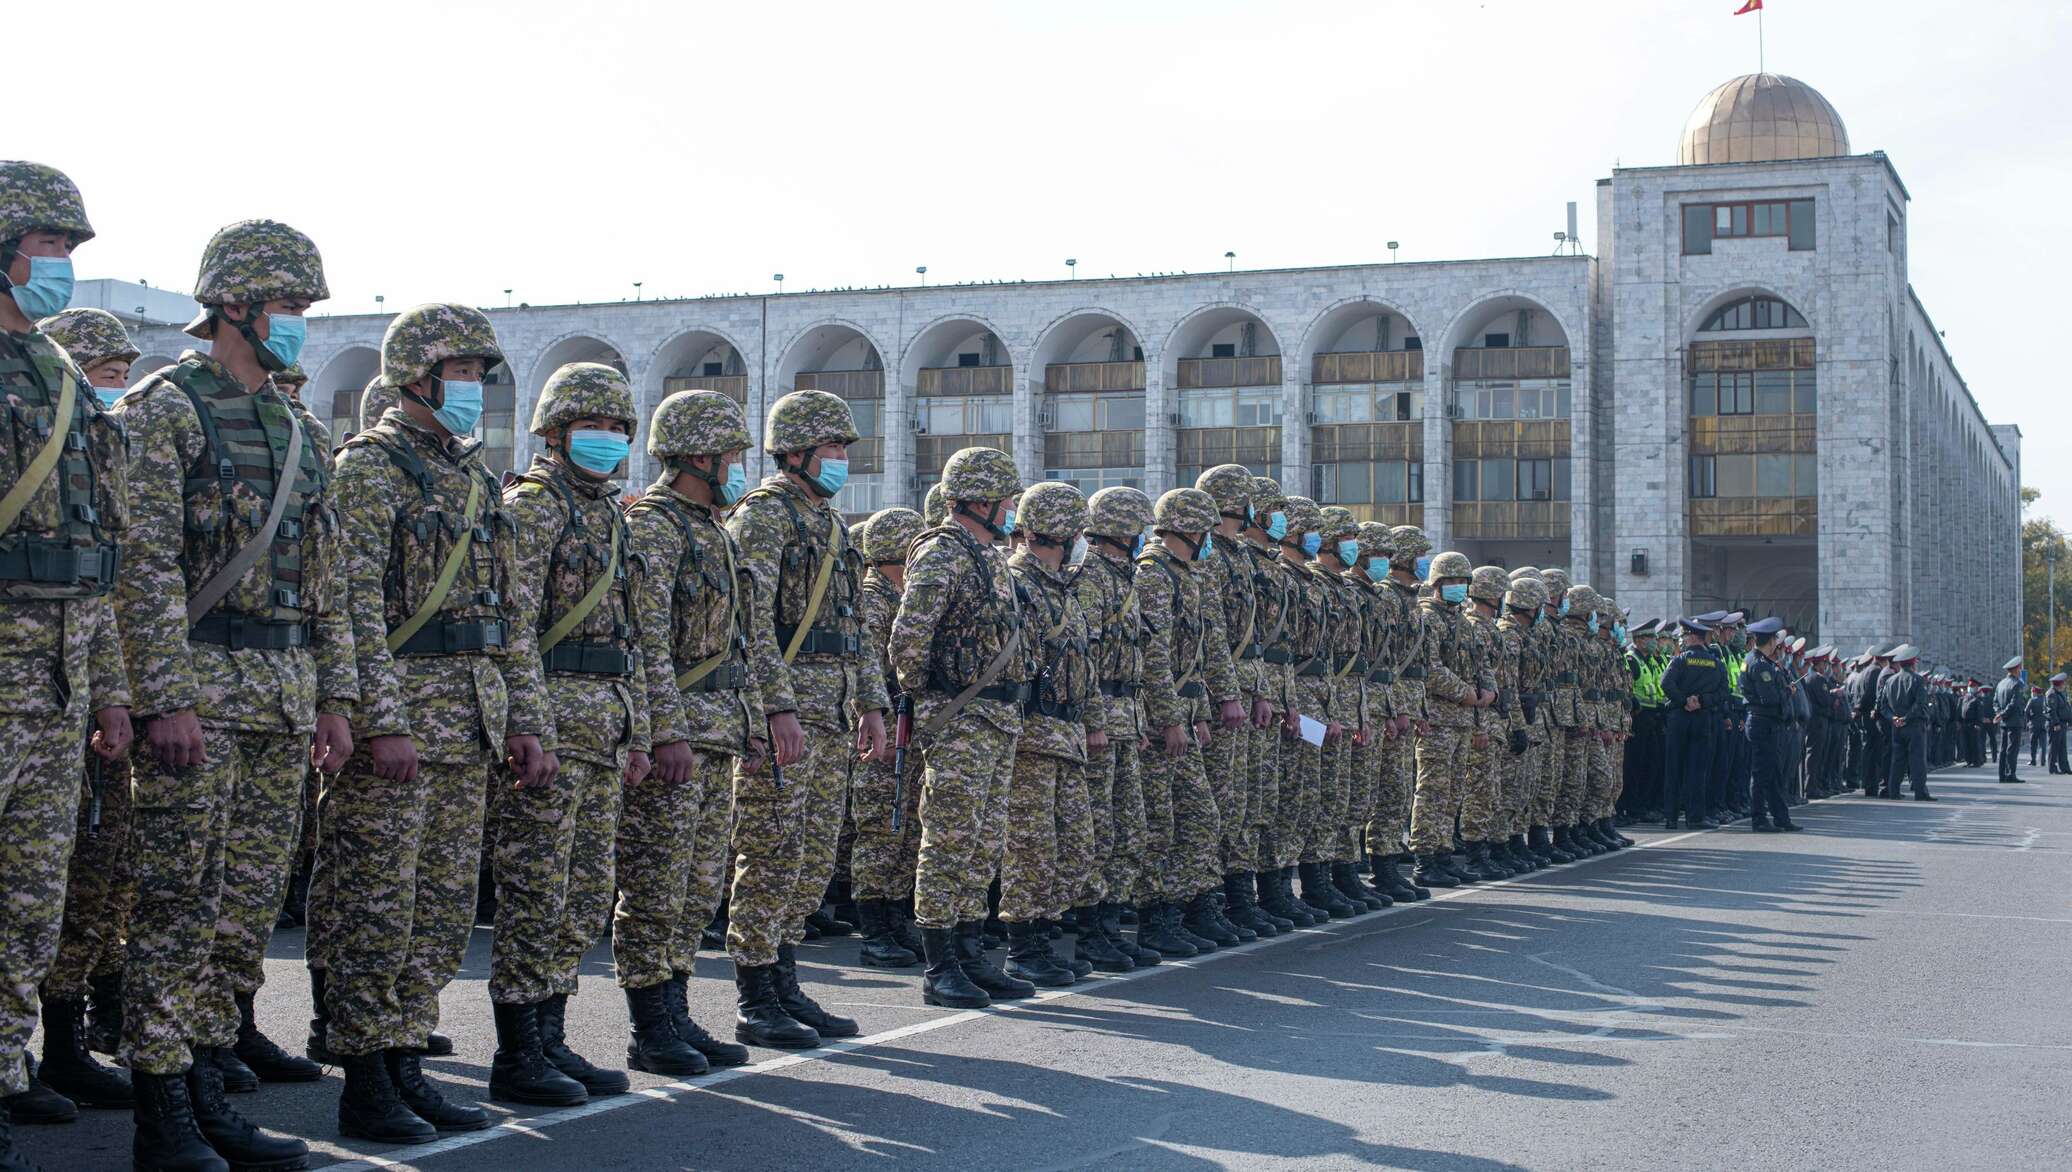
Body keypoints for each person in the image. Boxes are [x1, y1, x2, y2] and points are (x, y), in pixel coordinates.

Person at [120, 218, 356, 1170]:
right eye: (286, 307)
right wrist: (161, 698)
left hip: (282, 695)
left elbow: (327, 581)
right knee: (178, 903)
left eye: (304, 308)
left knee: (245, 907)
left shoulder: (300, 429)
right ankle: (161, 1108)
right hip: (200, 692)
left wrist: (334, 700)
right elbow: (139, 566)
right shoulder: (164, 408)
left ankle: (209, 1084)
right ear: (231, 305)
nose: (297, 324)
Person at [324, 302, 554, 1141]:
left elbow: (508, 615)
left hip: (471, 725)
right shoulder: (368, 470)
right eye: (459, 373)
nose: (472, 389)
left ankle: (406, 1060)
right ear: (416, 376)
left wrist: (526, 719)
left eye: (477, 374)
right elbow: (347, 603)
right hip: (403, 728)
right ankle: (365, 1078)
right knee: (377, 907)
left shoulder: (471, 477)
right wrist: (381, 718)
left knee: (443, 909)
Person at [0, 162, 135, 1163]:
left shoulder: (57, 380)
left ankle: (4, 1067)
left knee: (29, 894)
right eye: (47, 247)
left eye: (66, 251)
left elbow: (106, 555)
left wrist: (111, 689)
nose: (60, 269)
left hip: (55, 681)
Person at [495, 363, 654, 1100]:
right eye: (596, 426)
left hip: (605, 729)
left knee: (584, 893)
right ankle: (518, 1050)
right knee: (536, 890)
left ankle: (551, 1034)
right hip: (553, 728)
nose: (612, 439)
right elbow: (515, 628)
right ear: (555, 433)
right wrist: (530, 722)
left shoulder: (609, 513)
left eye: (621, 427)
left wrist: (641, 734)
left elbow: (634, 639)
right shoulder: (534, 509)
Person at [728, 390, 888, 1039]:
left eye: (846, 448)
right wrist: (776, 708)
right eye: (833, 447)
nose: (842, 459)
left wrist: (872, 701)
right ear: (794, 452)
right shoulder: (764, 517)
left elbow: (853, 627)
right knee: (771, 850)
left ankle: (784, 977)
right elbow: (751, 622)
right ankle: (755, 991)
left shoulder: (830, 522)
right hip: (789, 717)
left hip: (832, 713)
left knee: (813, 855)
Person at [618, 387, 763, 1077]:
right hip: (680, 734)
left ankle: (675, 1010)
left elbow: (738, 641)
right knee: (656, 882)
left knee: (698, 884)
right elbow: (645, 639)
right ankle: (651, 1026)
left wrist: (753, 721)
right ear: (699, 456)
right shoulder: (654, 526)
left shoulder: (712, 529)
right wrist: (664, 731)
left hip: (718, 729)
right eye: (732, 454)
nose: (738, 467)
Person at [32, 307, 142, 1115]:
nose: (117, 391)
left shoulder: (110, 452)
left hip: (96, 687)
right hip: (36, 685)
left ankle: (60, 1044)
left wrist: (113, 696)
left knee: (86, 881)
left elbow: (103, 587)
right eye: (105, 375)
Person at [892, 446, 1025, 1008]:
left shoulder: (988, 556)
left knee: (983, 839)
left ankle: (970, 952)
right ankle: (940, 964)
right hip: (961, 716)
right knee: (948, 840)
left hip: (996, 716)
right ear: (980, 500)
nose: (1013, 509)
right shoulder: (943, 552)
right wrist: (936, 701)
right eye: (1007, 500)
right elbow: (908, 640)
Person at [1001, 481, 1099, 986]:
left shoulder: (1062, 587)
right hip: (1032, 735)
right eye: (1078, 531)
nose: (1083, 541)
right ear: (1060, 532)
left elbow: (1085, 664)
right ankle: (1024, 945)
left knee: (1075, 845)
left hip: (1066, 734)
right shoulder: (1017, 584)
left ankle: (1044, 932)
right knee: (1032, 846)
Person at [1074, 487, 1161, 966]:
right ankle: (1090, 932)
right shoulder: (1092, 578)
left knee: (1129, 828)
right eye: (1138, 528)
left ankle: (1108, 925)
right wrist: (1091, 719)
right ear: (1122, 530)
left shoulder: (1123, 577)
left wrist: (1140, 718)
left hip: (1126, 717)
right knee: (1099, 830)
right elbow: (1079, 655)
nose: (1144, 536)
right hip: (1101, 719)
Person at [848, 507, 926, 969]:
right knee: (880, 826)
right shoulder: (872, 600)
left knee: (905, 828)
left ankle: (896, 917)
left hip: (907, 728)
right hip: (881, 729)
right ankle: (875, 926)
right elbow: (870, 669)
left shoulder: (900, 597)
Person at [1409, 553, 1494, 886]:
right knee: (1432, 790)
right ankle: (1424, 857)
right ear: (1437, 584)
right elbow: (1430, 669)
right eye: (1451, 581)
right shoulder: (1428, 619)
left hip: (1461, 718)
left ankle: (1443, 853)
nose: (1459, 587)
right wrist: (1467, 693)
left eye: (1463, 582)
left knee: (1453, 790)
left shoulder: (1464, 622)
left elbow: (1481, 664)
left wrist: (1489, 689)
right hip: (1437, 717)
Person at [1660, 618, 1726, 829]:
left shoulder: (1680, 660)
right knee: (1697, 770)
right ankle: (1695, 817)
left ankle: (1671, 817)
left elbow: (1665, 683)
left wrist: (1683, 700)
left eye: (1686, 636)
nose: (1684, 639)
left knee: (1673, 768)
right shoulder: (1716, 662)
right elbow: (1723, 692)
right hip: (1702, 719)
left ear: (1692, 637)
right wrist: (1702, 701)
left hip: (1679, 718)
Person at [1739, 619, 1803, 831]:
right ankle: (1758, 818)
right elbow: (1769, 697)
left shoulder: (1761, 661)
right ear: (1771, 641)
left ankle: (1781, 818)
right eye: (1776, 638)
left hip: (1768, 723)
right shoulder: (1758, 664)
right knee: (1761, 774)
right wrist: (1788, 691)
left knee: (1774, 773)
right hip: (1762, 722)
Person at [1879, 647, 1935, 801]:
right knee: (1917, 759)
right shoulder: (1917, 679)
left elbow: (1883, 706)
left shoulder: (1890, 680)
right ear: (1913, 663)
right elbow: (1920, 703)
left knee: (1897, 760)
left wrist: (1894, 718)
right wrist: (1906, 717)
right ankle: (1920, 792)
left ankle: (1894, 791)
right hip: (1914, 725)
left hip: (1896, 726)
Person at [1993, 657, 2025, 783]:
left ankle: (2002, 774)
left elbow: (1995, 701)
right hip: (2014, 721)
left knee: (2003, 748)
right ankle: (2010, 774)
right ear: (2016, 669)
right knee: (2012, 749)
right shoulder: (2017, 684)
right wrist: (2003, 714)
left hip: (2003, 721)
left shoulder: (2000, 683)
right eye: (2019, 668)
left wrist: (1999, 714)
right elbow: (2014, 704)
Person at [2050, 674, 2071, 774]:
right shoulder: (2052, 694)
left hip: (2062, 723)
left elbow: (2066, 708)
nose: (2064, 685)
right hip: (2056, 724)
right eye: (2063, 683)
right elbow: (2052, 711)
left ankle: (2065, 768)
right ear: (2059, 684)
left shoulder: (2060, 693)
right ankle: (2052, 767)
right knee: (2054, 747)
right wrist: (2056, 723)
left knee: (2062, 747)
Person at [2026, 684, 2048, 766]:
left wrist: (2029, 719)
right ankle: (2042, 761)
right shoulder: (2046, 700)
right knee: (2043, 744)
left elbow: (2026, 711)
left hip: (2034, 724)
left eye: (2032, 691)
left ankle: (2033, 760)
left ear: (2035, 692)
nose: (2032, 693)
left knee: (2033, 743)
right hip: (2044, 724)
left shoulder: (2032, 700)